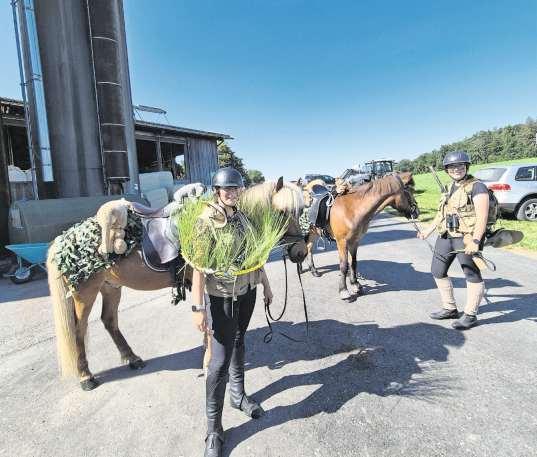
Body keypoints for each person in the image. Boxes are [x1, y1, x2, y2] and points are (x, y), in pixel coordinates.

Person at [190, 167, 273, 457]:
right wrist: (198, 307)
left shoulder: (243, 218)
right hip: (221, 298)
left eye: (236, 188)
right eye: (227, 189)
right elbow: (198, 268)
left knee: (239, 341)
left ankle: (238, 396)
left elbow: (256, 257)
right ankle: (213, 430)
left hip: (247, 292)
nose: (232, 193)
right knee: (219, 361)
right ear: (217, 191)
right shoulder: (206, 222)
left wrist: (266, 285)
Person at [417, 151, 489, 330]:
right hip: (446, 235)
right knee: (437, 270)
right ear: (447, 170)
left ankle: (470, 315)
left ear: (466, 167)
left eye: (460, 166)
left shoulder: (477, 187)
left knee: (471, 273)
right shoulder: (448, 187)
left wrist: (476, 241)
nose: (456, 169)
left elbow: (482, 217)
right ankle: (450, 308)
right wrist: (428, 230)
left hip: (467, 237)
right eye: (452, 167)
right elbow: (441, 213)